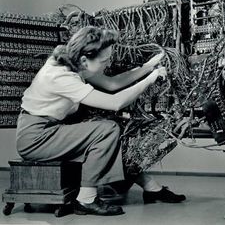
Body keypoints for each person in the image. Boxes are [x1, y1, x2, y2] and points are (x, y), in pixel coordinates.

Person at [16, 26, 185, 216]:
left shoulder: (74, 62)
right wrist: (150, 79)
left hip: (50, 129)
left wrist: (147, 67)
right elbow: (115, 102)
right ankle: (86, 199)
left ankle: (150, 187)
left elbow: (112, 84)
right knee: (107, 130)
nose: (107, 64)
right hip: (36, 138)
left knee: (113, 129)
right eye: (104, 60)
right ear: (84, 60)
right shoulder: (60, 76)